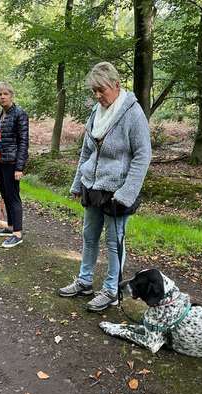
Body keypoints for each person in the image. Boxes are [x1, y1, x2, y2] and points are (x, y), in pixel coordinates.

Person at [58, 62, 151, 312]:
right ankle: (85, 281)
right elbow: (86, 151)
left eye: (102, 90)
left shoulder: (132, 112)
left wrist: (126, 194)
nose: (98, 96)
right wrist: (78, 182)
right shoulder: (96, 113)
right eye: (94, 91)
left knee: (114, 243)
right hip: (93, 186)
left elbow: (143, 155)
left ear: (117, 85)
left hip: (117, 192)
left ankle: (111, 290)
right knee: (89, 237)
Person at [0, 82, 29, 248]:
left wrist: (20, 167)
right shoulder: (0, 114)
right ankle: (10, 226)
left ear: (11, 95)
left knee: (13, 197)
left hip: (12, 162)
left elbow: (23, 142)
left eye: (5, 94)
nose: (2, 97)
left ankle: (17, 234)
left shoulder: (19, 114)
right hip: (0, 161)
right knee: (5, 194)